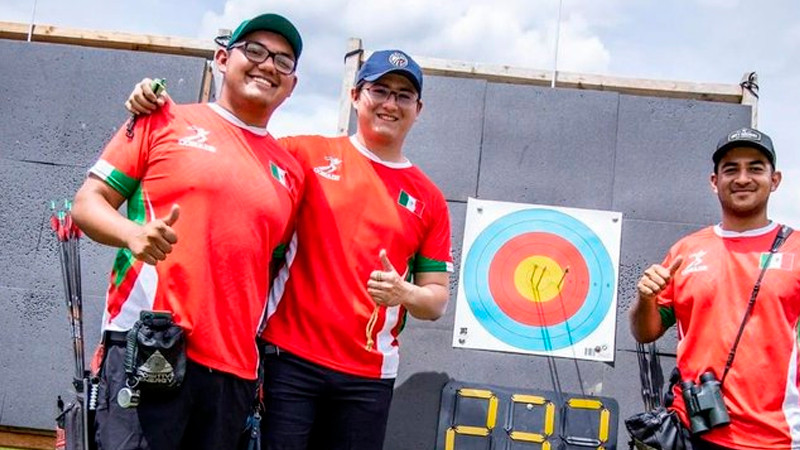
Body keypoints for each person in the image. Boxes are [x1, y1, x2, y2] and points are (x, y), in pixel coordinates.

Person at [127, 49, 453, 450]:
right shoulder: (303, 155)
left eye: (403, 95)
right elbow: (232, 142)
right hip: (288, 359)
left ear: (418, 109)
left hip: (369, 376)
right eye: (380, 90)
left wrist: (405, 293)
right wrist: (160, 108)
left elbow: (435, 302)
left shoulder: (430, 200)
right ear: (355, 96)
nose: (390, 103)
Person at [72, 13, 305, 450]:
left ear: (292, 85)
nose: (267, 65)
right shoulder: (162, 119)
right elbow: (87, 203)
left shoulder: (291, 171)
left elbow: (271, 265)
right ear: (223, 58)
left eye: (283, 61)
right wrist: (132, 234)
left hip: (233, 370)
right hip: (148, 346)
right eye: (254, 50)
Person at [630, 127, 800, 450]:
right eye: (731, 169)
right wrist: (645, 298)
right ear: (714, 181)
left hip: (775, 438)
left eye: (755, 168)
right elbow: (644, 332)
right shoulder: (686, 250)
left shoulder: (797, 249)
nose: (742, 178)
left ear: (775, 180)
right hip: (690, 431)